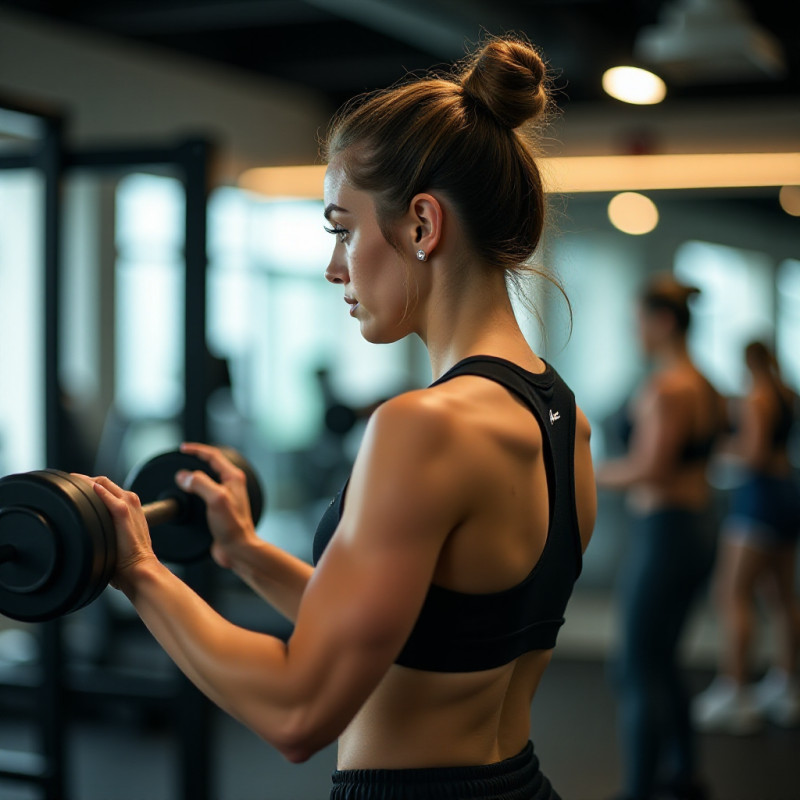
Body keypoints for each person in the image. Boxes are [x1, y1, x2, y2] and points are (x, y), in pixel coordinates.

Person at [75, 35, 596, 800]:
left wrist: (136, 569)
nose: (333, 267)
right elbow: (422, 631)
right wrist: (247, 552)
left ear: (422, 226)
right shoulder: (559, 415)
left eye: (342, 228)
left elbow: (298, 712)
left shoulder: (422, 428)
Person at [596, 275, 725, 800]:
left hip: (667, 532)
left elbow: (650, 468)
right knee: (662, 660)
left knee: (636, 666)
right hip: (692, 527)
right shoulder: (705, 383)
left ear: (663, 322)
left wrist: (580, 467)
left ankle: (639, 790)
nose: (634, 333)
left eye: (637, 322)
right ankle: (683, 776)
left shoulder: (668, 388)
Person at [692, 340, 800, 733]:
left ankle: (735, 691)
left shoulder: (756, 397)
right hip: (788, 493)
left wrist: (716, 451)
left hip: (759, 500)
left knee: (731, 593)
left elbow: (752, 454)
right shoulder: (787, 393)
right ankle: (787, 686)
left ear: (747, 361)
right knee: (781, 596)